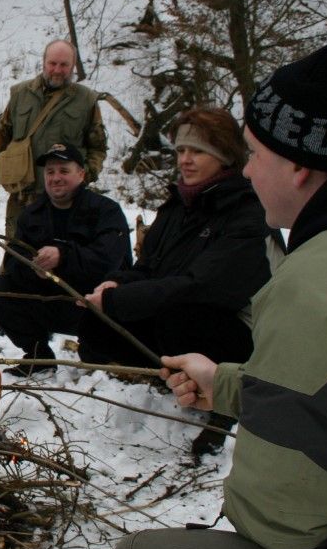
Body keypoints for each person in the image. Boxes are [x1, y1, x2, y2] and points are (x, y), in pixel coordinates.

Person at [102, 40, 327, 549]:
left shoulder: (322, 284)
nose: (245, 170)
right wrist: (231, 385)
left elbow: (284, 521)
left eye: (251, 153)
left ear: (298, 165)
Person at [76, 105, 271, 458]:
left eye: (197, 151)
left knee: (179, 314)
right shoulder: (177, 207)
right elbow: (149, 267)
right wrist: (115, 285)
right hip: (184, 314)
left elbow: (204, 287)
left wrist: (123, 300)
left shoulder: (248, 211)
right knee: (99, 322)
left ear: (225, 155)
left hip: (246, 337)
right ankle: (172, 377)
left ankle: (222, 408)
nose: (185, 159)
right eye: (181, 150)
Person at [0, 143, 130, 375]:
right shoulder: (32, 214)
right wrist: (33, 267)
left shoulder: (105, 211)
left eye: (64, 171)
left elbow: (108, 259)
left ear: (81, 174)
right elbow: (12, 262)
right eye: (50, 172)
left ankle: (103, 360)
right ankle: (38, 357)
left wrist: (64, 256)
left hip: (94, 303)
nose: (56, 178)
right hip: (51, 300)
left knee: (99, 366)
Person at [0, 39, 108, 239]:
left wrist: (86, 175)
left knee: (60, 259)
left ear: (73, 66)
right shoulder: (20, 94)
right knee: (17, 257)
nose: (57, 70)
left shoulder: (86, 100)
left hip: (65, 201)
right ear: (43, 63)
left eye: (64, 65)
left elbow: (98, 148)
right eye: (52, 63)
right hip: (22, 198)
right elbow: (2, 137)